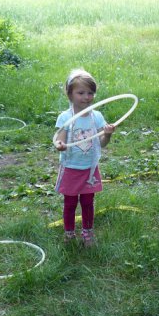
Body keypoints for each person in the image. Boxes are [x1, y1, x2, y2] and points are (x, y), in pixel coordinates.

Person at [54, 69, 116, 246]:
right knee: (70, 203)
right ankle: (69, 233)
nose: (86, 97)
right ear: (70, 94)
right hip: (71, 168)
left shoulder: (97, 117)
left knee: (88, 202)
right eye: (81, 93)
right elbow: (60, 139)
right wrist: (60, 146)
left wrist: (108, 134)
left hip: (90, 168)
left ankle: (88, 232)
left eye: (90, 93)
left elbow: (102, 143)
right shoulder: (65, 117)